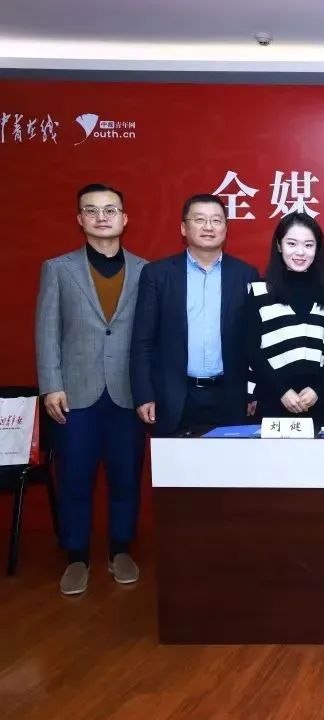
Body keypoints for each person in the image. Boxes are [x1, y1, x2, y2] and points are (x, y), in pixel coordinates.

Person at [35, 183, 147, 595]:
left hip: (128, 395)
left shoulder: (146, 271)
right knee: (75, 480)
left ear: (124, 218)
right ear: (80, 219)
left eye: (110, 209)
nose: (102, 217)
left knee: (126, 479)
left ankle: (120, 550)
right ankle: (76, 557)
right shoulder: (58, 269)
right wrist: (51, 385)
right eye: (92, 210)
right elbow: (47, 330)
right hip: (74, 395)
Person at [130, 194, 259, 436]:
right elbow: (142, 341)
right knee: (175, 462)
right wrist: (144, 394)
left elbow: (253, 341)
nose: (208, 227)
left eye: (216, 220)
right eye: (199, 219)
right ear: (183, 228)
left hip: (229, 396)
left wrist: (252, 392)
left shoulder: (246, 275)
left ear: (225, 228)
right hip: (175, 395)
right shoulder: (157, 274)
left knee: (228, 461)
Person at [245, 212, 324, 429]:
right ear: (279, 246)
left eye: (308, 245)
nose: (300, 252)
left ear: (317, 249)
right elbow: (251, 349)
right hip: (273, 398)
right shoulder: (259, 292)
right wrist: (282, 391)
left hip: (316, 400)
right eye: (292, 243)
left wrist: (317, 389)